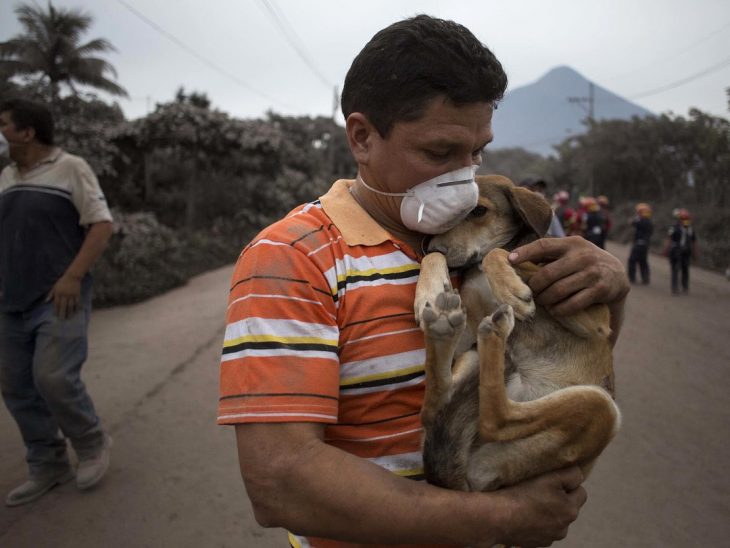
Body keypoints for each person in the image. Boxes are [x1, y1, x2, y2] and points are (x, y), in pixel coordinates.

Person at [218, 15, 629, 548]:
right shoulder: (294, 259)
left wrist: (610, 291)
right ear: (362, 137)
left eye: (476, 152)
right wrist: (502, 518)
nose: (463, 179)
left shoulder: (494, 228)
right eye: (439, 154)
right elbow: (281, 482)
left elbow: (565, 363)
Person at [0, 99, 114, 506]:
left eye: (5, 125)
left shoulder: (71, 168)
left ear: (27, 132)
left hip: (59, 294)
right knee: (16, 385)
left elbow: (101, 225)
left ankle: (91, 441)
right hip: (11, 298)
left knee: (53, 377)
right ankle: (46, 463)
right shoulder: (7, 177)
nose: (2, 134)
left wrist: (72, 277)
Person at [664, 208, 697, 294]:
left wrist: (695, 253)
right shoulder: (676, 228)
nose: (685, 220)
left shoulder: (688, 229)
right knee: (679, 269)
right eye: (684, 218)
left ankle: (682, 287)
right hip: (678, 251)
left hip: (682, 251)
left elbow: (694, 242)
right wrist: (666, 250)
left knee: (682, 269)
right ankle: (678, 288)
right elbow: (669, 239)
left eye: (686, 219)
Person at [627, 202, 654, 284]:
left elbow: (630, 222)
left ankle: (632, 278)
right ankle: (645, 278)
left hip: (638, 244)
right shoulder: (650, 222)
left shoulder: (640, 221)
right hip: (645, 244)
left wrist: (637, 217)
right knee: (643, 261)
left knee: (632, 260)